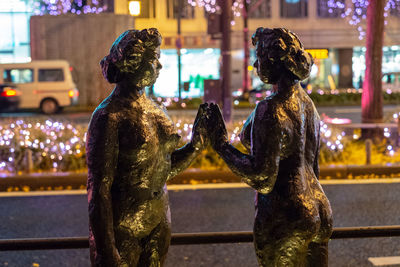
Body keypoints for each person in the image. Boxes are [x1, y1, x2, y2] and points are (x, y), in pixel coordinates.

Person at [206, 28, 333, 266]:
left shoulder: (271, 108)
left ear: (273, 61)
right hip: (319, 205)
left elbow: (262, 177)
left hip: (286, 212)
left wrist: (221, 144)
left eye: (260, 56)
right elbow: (313, 165)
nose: (256, 62)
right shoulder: (308, 104)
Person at [86, 28, 207, 267]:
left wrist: (196, 144)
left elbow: (162, 167)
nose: (159, 66)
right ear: (134, 63)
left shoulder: (155, 109)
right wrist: (106, 248)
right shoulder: (108, 116)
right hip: (123, 224)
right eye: (154, 59)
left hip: (158, 217)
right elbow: (99, 188)